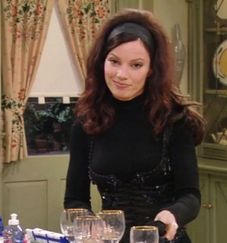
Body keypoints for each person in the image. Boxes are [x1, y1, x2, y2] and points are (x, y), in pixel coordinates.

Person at [64, 8, 205, 243]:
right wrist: (90, 227)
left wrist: (172, 214)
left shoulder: (175, 120)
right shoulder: (86, 123)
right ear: (102, 62)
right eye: (114, 61)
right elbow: (75, 200)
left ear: (151, 69)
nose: (121, 74)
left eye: (136, 65)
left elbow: (190, 196)